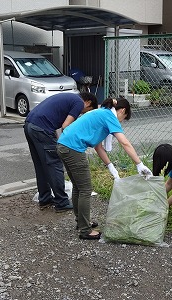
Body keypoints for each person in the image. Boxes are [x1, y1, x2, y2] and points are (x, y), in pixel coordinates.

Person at [57, 97, 152, 240]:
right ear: (122, 111)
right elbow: (124, 143)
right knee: (85, 189)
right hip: (73, 148)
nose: (120, 122)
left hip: (63, 144)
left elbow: (98, 146)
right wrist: (139, 164)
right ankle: (85, 230)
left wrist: (110, 166)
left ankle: (81, 222)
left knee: (78, 187)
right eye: (123, 119)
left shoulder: (102, 112)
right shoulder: (109, 115)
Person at [23, 92, 98, 212]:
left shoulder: (69, 97)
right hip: (41, 129)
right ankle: (61, 202)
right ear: (88, 102)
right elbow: (66, 126)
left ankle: (45, 198)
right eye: (86, 111)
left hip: (29, 125)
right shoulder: (78, 102)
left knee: (41, 165)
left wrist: (59, 141)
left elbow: (54, 123)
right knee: (55, 164)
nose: (82, 113)